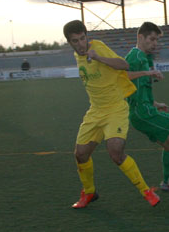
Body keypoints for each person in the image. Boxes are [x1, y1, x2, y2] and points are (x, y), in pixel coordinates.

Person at [63, 20, 159, 209]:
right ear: (69, 43)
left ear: (87, 36)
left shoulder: (97, 47)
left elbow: (124, 65)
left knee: (115, 152)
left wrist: (98, 57)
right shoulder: (78, 56)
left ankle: (146, 191)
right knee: (80, 155)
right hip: (95, 111)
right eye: (75, 41)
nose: (81, 44)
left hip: (116, 108)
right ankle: (89, 192)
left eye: (83, 38)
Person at [125, 22, 169, 191]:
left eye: (156, 40)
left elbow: (138, 90)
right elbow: (122, 77)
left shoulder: (144, 57)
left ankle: (167, 182)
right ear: (140, 37)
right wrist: (147, 73)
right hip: (143, 114)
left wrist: (156, 104)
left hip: (144, 111)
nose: (155, 43)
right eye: (151, 39)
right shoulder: (135, 57)